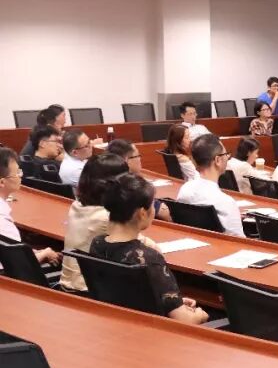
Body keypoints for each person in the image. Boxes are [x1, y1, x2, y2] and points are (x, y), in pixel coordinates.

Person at [91, 173, 208, 325]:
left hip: (119, 324)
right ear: (142, 213)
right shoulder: (148, 258)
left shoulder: (97, 243)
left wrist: (172, 302)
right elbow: (186, 321)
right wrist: (200, 314)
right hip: (153, 332)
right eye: (153, 204)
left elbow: (125, 294)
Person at [60, 153, 129, 293]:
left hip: (69, 284)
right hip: (87, 290)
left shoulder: (76, 205)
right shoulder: (106, 217)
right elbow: (141, 244)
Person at [0, 147, 60, 267]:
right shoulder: (3, 221)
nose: (21, 176)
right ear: (2, 182)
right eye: (17, 173)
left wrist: (33, 252)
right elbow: (17, 263)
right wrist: (45, 253)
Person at [175, 135, 244, 236]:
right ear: (217, 160)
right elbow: (239, 240)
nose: (227, 158)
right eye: (225, 154)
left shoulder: (184, 190)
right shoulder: (226, 202)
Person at [106, 138, 172, 221]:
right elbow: (164, 213)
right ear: (126, 160)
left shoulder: (105, 182)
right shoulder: (132, 186)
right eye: (137, 155)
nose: (140, 159)